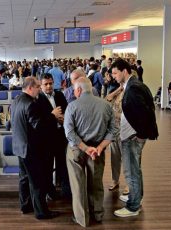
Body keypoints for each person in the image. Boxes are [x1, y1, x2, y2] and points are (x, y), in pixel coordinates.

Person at [64, 77, 117, 227]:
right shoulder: (106, 105)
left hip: (77, 150)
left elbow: (69, 133)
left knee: (78, 184)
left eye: (74, 89)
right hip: (98, 150)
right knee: (96, 182)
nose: (74, 91)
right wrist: (99, 147)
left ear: (79, 90)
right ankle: (98, 214)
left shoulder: (72, 106)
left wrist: (86, 148)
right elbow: (113, 130)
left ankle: (82, 218)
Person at [111, 58, 158, 218]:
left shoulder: (133, 88)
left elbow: (145, 113)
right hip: (132, 135)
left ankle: (133, 206)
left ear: (125, 71)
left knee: (131, 171)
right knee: (134, 169)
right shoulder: (134, 85)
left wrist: (139, 135)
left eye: (116, 73)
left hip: (133, 137)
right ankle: (136, 197)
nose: (114, 77)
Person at [11, 76, 61, 220]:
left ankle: (25, 205)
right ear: (30, 87)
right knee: (37, 182)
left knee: (24, 179)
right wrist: (52, 116)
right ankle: (41, 212)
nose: (40, 89)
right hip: (31, 149)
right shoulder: (30, 103)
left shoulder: (16, 101)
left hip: (19, 147)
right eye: (38, 87)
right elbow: (39, 126)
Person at [36, 73, 71, 200]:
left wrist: (64, 120)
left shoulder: (60, 95)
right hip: (47, 138)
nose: (49, 86)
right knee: (48, 166)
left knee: (63, 165)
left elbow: (67, 111)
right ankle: (50, 192)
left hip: (61, 135)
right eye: (46, 84)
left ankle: (66, 192)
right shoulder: (38, 99)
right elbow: (39, 121)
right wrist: (53, 117)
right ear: (41, 85)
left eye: (50, 83)